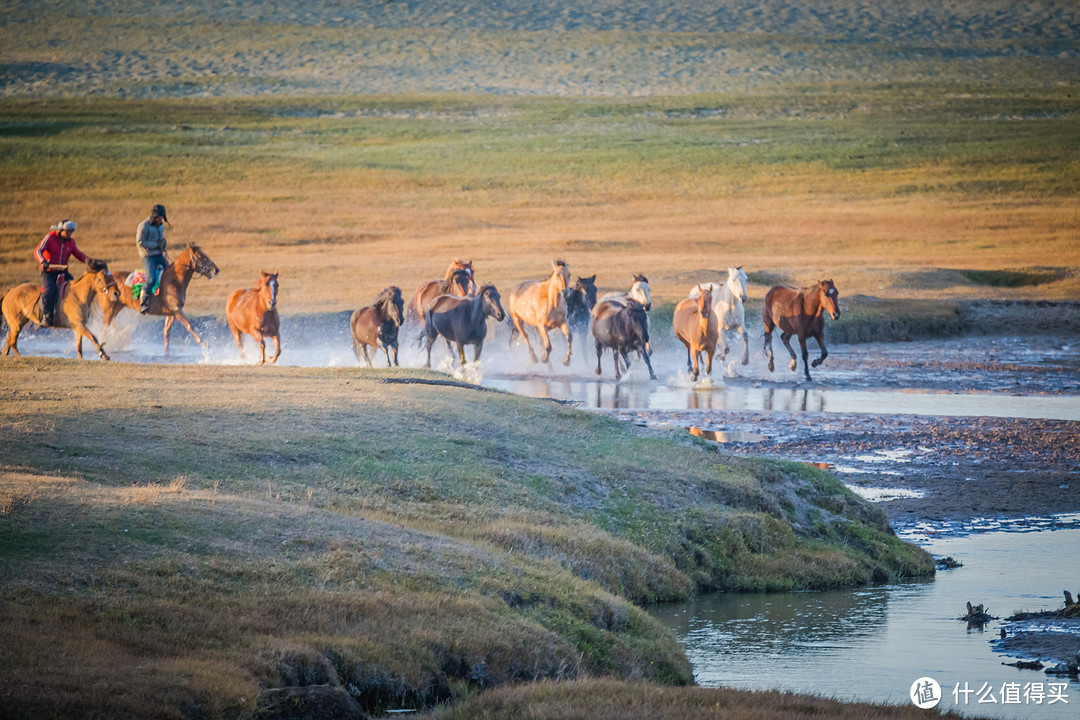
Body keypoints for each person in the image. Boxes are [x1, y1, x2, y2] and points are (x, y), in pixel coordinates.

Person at [34, 219, 94, 326]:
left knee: (74, 290)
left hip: (63, 272)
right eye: (68, 231)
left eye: (71, 232)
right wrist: (43, 261)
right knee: (50, 291)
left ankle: (70, 313)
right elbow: (38, 250)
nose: (70, 234)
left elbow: (78, 254)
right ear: (61, 230)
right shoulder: (50, 237)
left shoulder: (71, 242)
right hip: (49, 272)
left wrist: (89, 261)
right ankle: (46, 317)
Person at [136, 204, 169, 313]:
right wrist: (156, 244)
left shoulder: (160, 226)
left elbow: (159, 238)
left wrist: (162, 242)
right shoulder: (144, 225)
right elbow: (140, 242)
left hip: (158, 254)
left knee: (170, 272)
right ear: (154, 216)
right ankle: (143, 303)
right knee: (151, 279)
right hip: (147, 255)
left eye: (162, 217)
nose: (161, 219)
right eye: (159, 217)